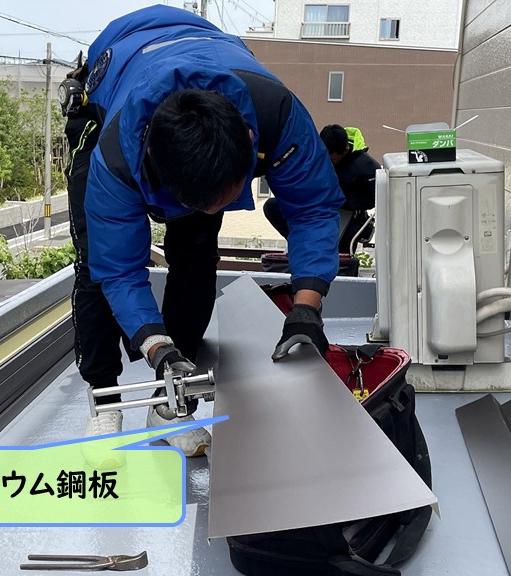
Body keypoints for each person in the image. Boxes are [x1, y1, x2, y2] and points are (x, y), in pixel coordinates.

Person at [62, 5, 344, 465]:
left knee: (195, 256)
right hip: (113, 84)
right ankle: (105, 398)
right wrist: (154, 345)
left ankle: (172, 400)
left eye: (224, 199)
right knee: (95, 266)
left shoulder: (275, 113)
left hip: (213, 71)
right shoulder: (116, 156)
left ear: (250, 142)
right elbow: (119, 270)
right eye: (198, 204)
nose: (211, 212)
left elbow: (313, 208)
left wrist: (307, 309)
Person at [264, 124, 380, 253]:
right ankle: (300, 242)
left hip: (347, 213)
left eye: (331, 158)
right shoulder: (314, 153)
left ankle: (339, 266)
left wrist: (338, 201)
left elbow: (372, 200)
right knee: (272, 206)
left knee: (341, 244)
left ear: (345, 150)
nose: (326, 160)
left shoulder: (367, 168)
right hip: (314, 205)